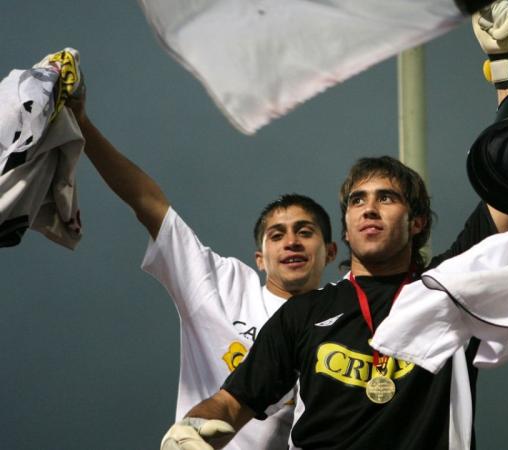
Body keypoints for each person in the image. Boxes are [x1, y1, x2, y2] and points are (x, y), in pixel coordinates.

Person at [161, 155, 508, 449]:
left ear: (417, 222)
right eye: (357, 200)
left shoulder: (450, 288)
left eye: (386, 198)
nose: (369, 209)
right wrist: (189, 431)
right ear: (346, 230)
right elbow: (230, 403)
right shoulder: (303, 312)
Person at [67, 86, 337, 450]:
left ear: (330, 252)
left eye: (305, 232)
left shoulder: (347, 317)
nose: (291, 242)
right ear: (260, 258)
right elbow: (147, 202)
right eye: (277, 235)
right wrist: (82, 123)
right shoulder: (222, 285)